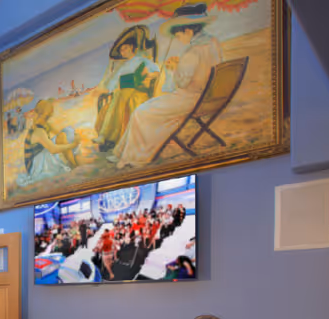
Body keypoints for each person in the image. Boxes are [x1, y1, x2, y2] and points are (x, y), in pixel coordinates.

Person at [109, 4, 223, 168]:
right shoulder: (212, 42)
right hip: (205, 95)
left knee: (141, 112)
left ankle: (134, 157)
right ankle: (121, 153)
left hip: (191, 99)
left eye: (177, 33)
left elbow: (182, 83)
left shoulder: (193, 51)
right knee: (144, 109)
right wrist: (180, 66)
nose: (177, 37)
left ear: (187, 31)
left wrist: (173, 68)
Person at [94, 25, 160, 152]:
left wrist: (147, 76)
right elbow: (112, 84)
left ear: (132, 48)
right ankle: (107, 137)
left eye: (125, 48)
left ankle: (106, 136)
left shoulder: (142, 60)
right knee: (118, 97)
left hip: (138, 90)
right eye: (121, 50)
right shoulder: (122, 67)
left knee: (119, 97)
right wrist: (111, 89)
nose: (123, 52)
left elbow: (156, 71)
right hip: (123, 92)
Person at [20, 99, 81, 184]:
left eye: (48, 116)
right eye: (46, 116)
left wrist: (70, 134)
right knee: (62, 138)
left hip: (40, 157)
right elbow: (53, 149)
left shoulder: (43, 125)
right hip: (36, 166)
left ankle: (74, 164)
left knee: (65, 133)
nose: (47, 119)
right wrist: (73, 144)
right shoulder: (38, 131)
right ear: (41, 115)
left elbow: (58, 132)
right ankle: (74, 165)